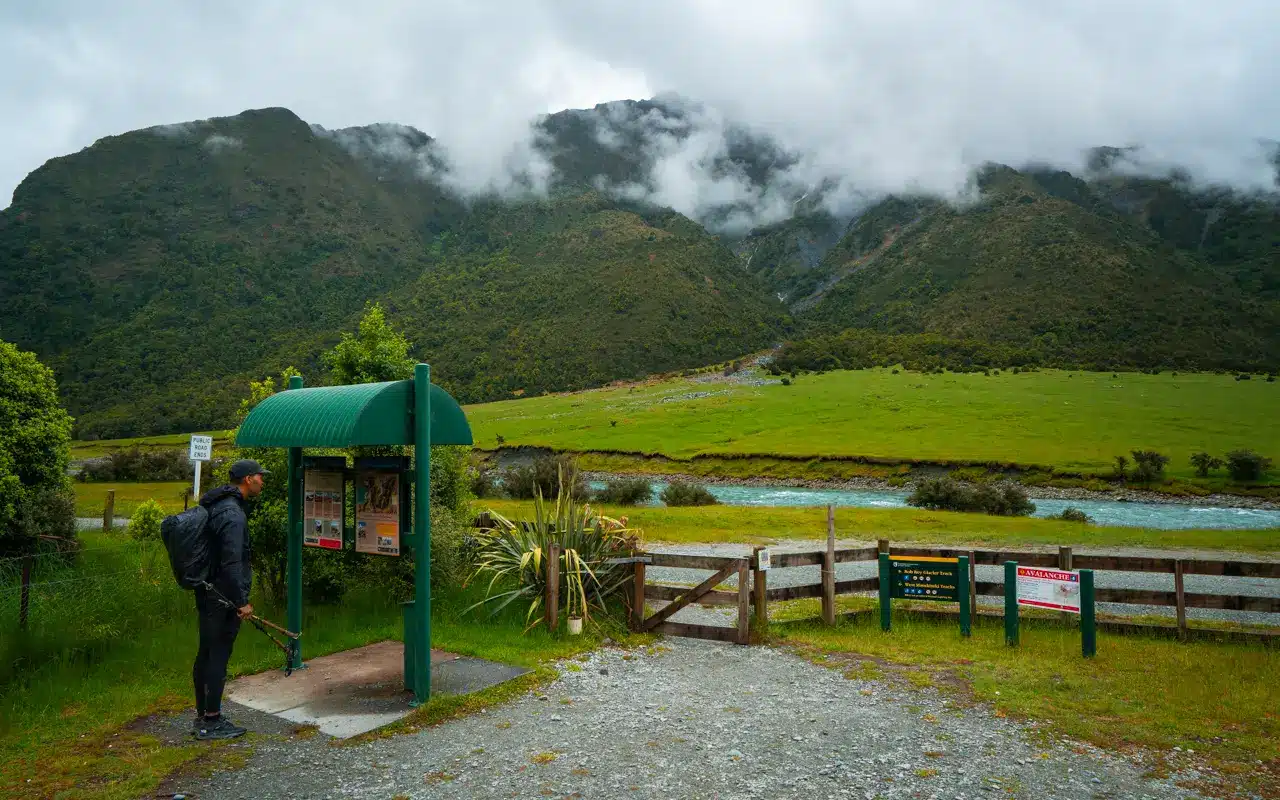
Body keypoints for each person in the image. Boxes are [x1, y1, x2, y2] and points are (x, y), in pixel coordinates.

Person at [192, 458, 268, 740]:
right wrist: (241, 601)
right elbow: (232, 563)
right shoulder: (233, 515)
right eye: (260, 476)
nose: (262, 480)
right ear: (248, 479)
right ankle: (211, 720)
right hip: (222, 596)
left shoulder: (217, 505)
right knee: (218, 655)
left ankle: (203, 715)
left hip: (208, 590)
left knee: (206, 652)